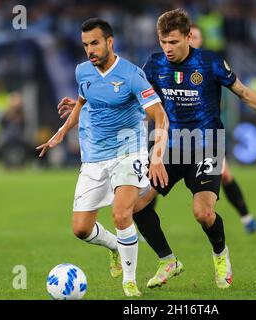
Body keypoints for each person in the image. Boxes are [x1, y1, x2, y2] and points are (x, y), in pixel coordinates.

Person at [58, 9, 256, 290]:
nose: (167, 48)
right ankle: (168, 259)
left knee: (203, 213)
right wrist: (89, 103)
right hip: (169, 146)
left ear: (188, 37)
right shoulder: (154, 65)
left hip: (207, 145)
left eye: (173, 42)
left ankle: (220, 254)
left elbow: (244, 93)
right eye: (163, 42)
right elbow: (131, 96)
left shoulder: (210, 63)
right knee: (135, 206)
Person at [37, 18, 169, 297]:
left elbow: (159, 115)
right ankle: (113, 246)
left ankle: (129, 282)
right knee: (81, 229)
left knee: (122, 214)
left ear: (110, 42)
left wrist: (156, 158)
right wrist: (62, 132)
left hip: (128, 151)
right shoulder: (82, 71)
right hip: (94, 156)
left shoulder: (132, 74)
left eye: (95, 43)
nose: (90, 50)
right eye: (85, 45)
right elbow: (85, 100)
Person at [190, 24, 256, 235]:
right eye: (188, 35)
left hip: (206, 139)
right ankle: (142, 226)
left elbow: (236, 95)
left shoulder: (209, 64)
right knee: (154, 180)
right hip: (176, 136)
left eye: (196, 36)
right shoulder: (168, 67)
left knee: (225, 175)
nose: (192, 39)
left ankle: (247, 220)